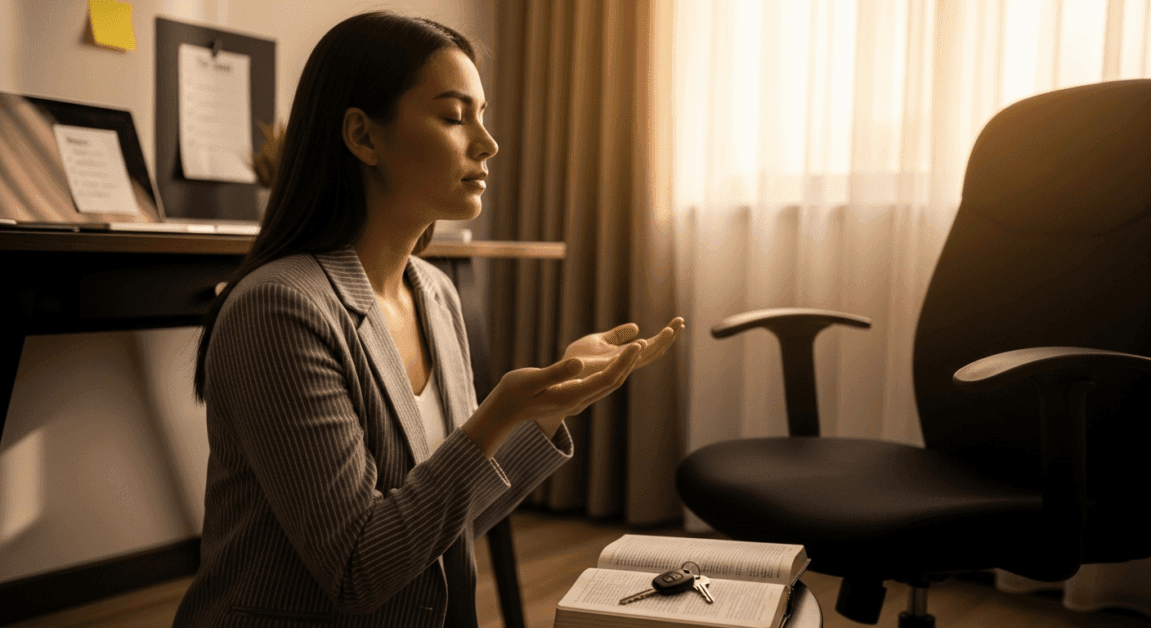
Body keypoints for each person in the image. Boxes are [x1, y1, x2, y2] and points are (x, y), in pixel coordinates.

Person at [172, 11, 684, 628]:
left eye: (484, 115)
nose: (488, 143)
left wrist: (546, 407)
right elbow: (360, 570)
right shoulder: (280, 309)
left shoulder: (434, 292)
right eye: (453, 116)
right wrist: (500, 412)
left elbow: (449, 517)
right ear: (363, 136)